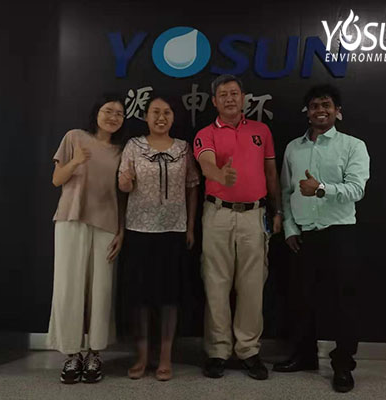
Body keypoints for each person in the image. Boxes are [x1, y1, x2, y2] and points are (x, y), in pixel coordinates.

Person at [273, 83, 370, 393]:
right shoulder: (293, 148)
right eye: (315, 106)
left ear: (337, 111)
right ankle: (304, 356)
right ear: (308, 112)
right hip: (304, 235)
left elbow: (357, 189)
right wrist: (290, 228)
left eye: (326, 105)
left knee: (344, 303)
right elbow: (286, 191)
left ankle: (343, 364)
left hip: (340, 233)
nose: (320, 110)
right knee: (301, 299)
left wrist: (321, 189)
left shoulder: (353, 146)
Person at [193, 74, 282, 381]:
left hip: (254, 215)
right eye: (223, 94)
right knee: (215, 282)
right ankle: (218, 351)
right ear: (214, 101)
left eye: (234, 93)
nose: (229, 98)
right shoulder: (205, 133)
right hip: (217, 214)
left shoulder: (261, 131)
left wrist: (277, 210)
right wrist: (220, 175)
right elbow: (205, 163)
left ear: (243, 98)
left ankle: (248, 350)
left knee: (252, 285)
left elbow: (271, 172)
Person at [117, 95, 199, 382]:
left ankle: (165, 357)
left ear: (174, 117)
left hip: (173, 231)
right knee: (139, 298)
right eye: (155, 112)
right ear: (145, 116)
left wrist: (190, 227)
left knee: (169, 298)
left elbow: (192, 187)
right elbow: (122, 185)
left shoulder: (183, 148)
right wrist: (125, 183)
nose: (161, 117)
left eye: (167, 112)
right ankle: (141, 356)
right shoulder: (133, 146)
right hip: (138, 230)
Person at [47, 94, 128, 384]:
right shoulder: (75, 137)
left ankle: (95, 353)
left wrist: (121, 231)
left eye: (119, 114)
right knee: (69, 286)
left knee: (101, 289)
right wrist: (76, 162)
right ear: (97, 112)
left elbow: (122, 195)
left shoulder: (121, 150)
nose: (113, 117)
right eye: (109, 111)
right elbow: (57, 179)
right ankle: (72, 354)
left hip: (107, 224)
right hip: (71, 218)